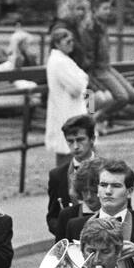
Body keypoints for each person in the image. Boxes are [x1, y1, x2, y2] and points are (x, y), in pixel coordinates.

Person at [65, 160, 134, 268]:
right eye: (103, 185)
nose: (108, 191)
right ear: (97, 190)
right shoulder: (75, 225)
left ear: (130, 191)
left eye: (116, 186)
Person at [44, 28, 90, 177]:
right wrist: (82, 81)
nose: (71, 45)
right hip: (66, 111)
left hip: (73, 110)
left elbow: (84, 84)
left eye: (72, 41)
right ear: (57, 44)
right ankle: (64, 191)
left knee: (78, 154)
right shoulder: (59, 62)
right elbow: (77, 87)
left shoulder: (65, 60)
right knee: (67, 153)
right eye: (67, 42)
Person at [86, 0, 134, 125]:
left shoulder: (102, 25)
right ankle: (96, 118)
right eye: (105, 8)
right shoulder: (91, 27)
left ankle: (99, 117)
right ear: (94, 9)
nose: (108, 11)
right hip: (98, 69)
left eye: (109, 8)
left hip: (106, 66)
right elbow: (90, 53)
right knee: (122, 97)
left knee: (131, 94)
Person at [47, 114, 99, 239]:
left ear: (92, 139)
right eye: (70, 141)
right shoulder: (57, 175)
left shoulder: (109, 170)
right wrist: (67, 231)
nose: (75, 146)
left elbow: (126, 211)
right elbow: (52, 217)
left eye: (80, 140)